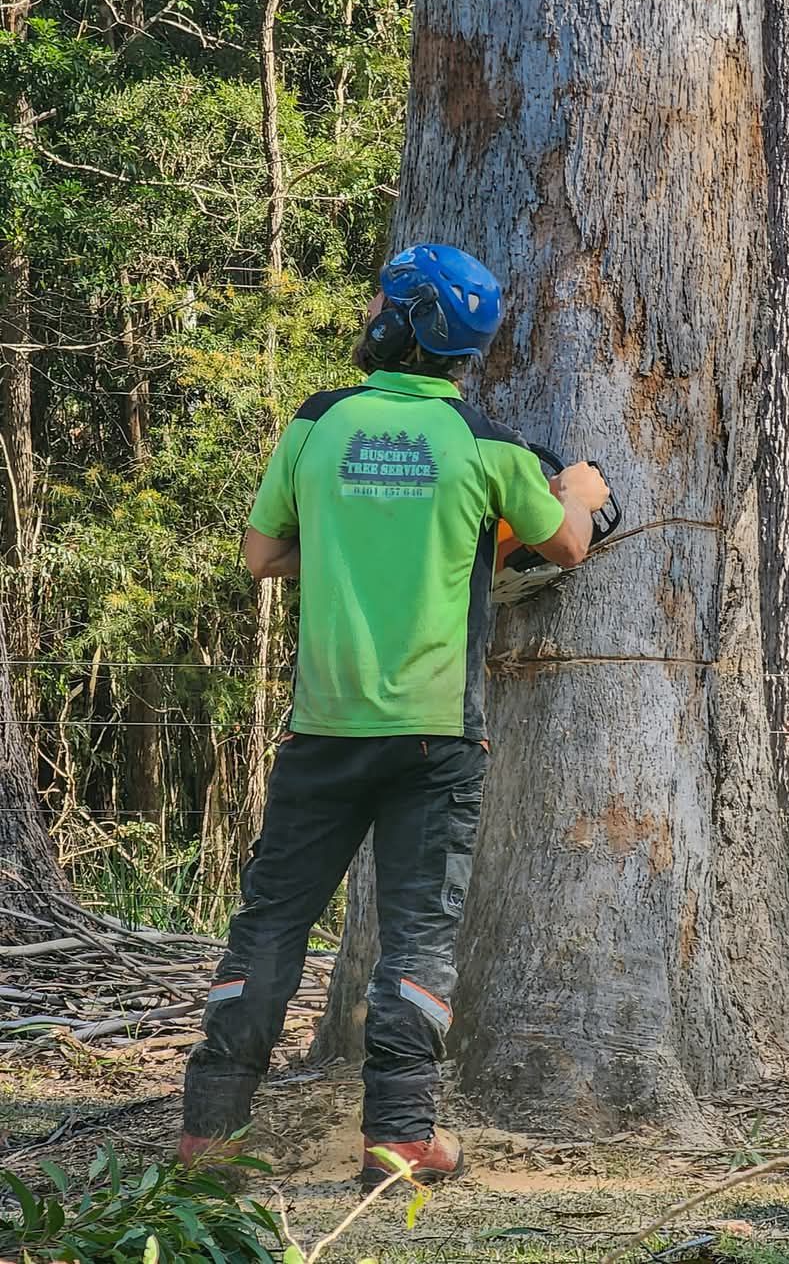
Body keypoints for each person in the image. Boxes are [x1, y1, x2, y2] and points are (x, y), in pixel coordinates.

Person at [179, 243, 610, 1188]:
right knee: (417, 936)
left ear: (403, 322)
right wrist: (576, 490)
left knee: (270, 926)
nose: (370, 303)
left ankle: (210, 1132)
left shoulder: (317, 424)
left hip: (322, 731)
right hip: (433, 741)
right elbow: (571, 545)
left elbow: (260, 556)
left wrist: (340, 543)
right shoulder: (486, 447)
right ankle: (400, 1137)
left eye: (383, 295)